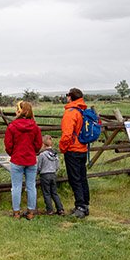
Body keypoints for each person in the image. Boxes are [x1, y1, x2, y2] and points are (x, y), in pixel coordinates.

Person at [4, 100, 43, 220]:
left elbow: (8, 144)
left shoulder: (12, 126)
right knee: (31, 186)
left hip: (17, 159)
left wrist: (13, 153)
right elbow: (38, 144)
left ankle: (16, 212)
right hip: (30, 159)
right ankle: (31, 212)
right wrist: (33, 151)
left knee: (16, 187)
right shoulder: (35, 127)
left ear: (19, 112)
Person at [60, 87, 90, 218]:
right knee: (82, 177)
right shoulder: (82, 110)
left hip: (73, 149)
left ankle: (80, 207)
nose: (66, 97)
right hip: (83, 148)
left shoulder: (71, 112)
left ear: (70, 97)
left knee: (75, 179)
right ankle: (85, 205)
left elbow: (67, 134)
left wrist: (63, 148)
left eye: (67, 95)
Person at [37, 135, 64, 216]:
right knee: (54, 193)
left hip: (44, 175)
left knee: (47, 193)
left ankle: (50, 210)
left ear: (44, 144)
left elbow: (39, 166)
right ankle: (60, 209)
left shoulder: (42, 155)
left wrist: (37, 172)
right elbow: (57, 166)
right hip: (53, 174)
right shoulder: (55, 154)